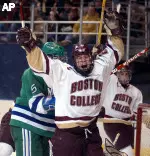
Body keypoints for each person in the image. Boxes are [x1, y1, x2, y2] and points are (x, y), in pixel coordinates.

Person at [16, 10, 124, 156]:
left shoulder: (102, 67)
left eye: (85, 57)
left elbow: (116, 51)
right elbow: (41, 62)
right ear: (74, 61)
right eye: (79, 59)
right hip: (67, 134)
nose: (83, 61)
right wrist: (29, 45)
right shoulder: (64, 72)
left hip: (90, 131)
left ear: (91, 58)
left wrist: (115, 31)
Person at [10, 42, 65, 156]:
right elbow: (36, 104)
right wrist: (65, 101)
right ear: (47, 58)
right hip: (28, 122)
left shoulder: (64, 74)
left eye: (62, 58)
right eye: (57, 58)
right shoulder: (31, 73)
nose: (61, 61)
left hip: (46, 127)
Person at [103, 64, 143, 156]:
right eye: (122, 74)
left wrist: (144, 118)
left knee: (122, 151)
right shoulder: (111, 82)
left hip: (127, 125)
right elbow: (104, 70)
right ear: (117, 74)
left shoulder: (136, 92)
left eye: (126, 74)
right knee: (127, 152)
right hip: (112, 122)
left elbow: (137, 112)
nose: (124, 76)